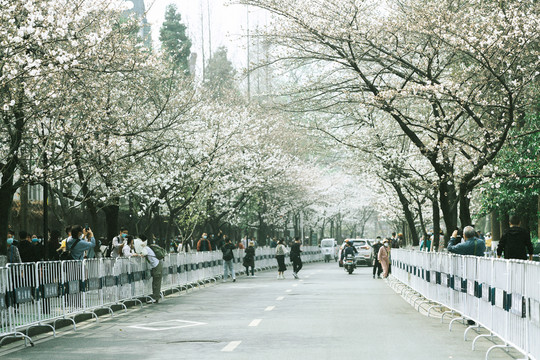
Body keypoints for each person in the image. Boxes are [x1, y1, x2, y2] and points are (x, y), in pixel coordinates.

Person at [134, 238, 162, 303]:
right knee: (155, 282)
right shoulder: (146, 248)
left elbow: (142, 254)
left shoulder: (145, 249)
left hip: (156, 266)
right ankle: (156, 297)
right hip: (156, 265)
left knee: (156, 283)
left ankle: (155, 298)